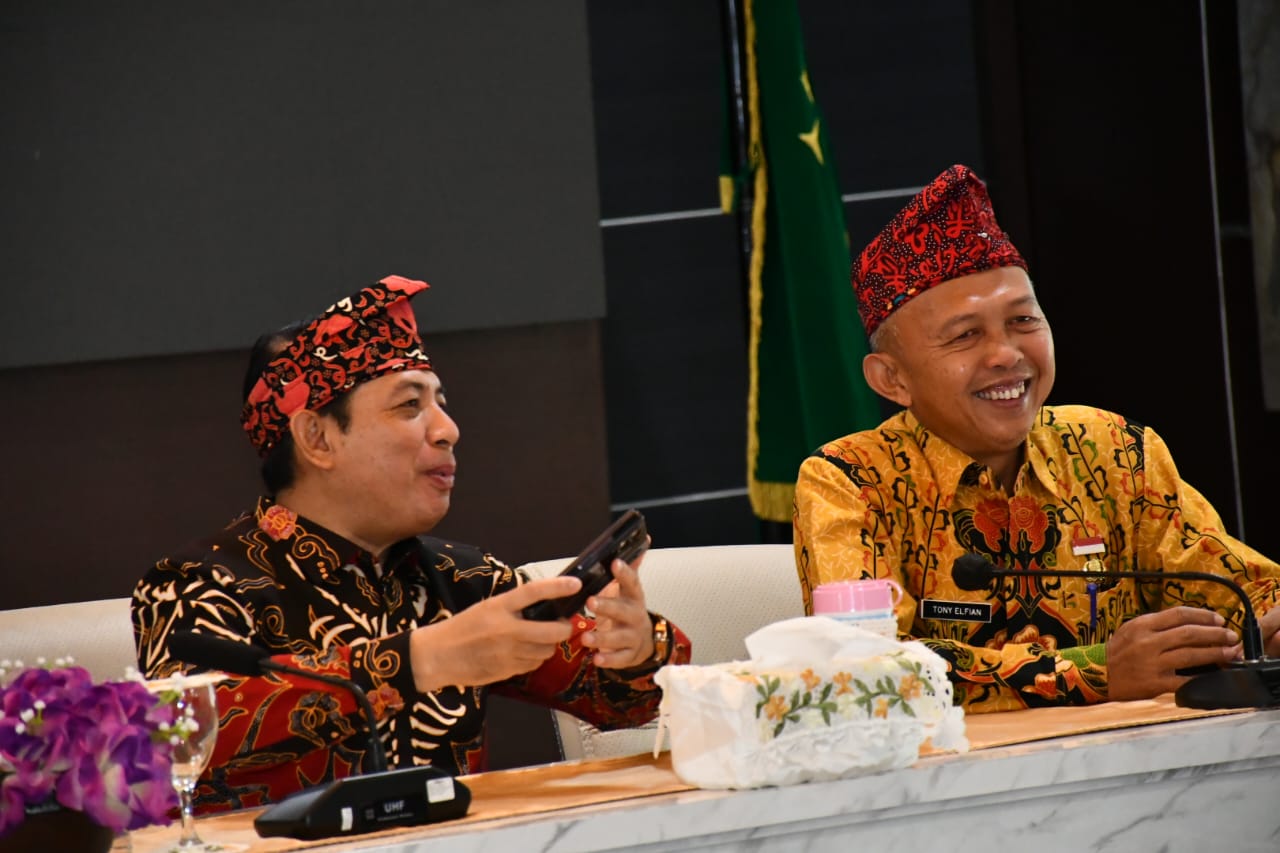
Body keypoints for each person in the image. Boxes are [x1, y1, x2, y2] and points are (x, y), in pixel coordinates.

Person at [133, 275, 690, 811]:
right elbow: (173, 734)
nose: (448, 430)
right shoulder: (196, 581)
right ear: (316, 437)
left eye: (441, 403)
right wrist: (420, 660)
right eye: (409, 406)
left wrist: (634, 649)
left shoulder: (463, 579)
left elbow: (631, 702)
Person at [793, 164, 1280, 713]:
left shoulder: (1115, 449)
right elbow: (866, 669)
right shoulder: (851, 481)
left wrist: (1269, 621)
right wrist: (1093, 672)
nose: (1006, 354)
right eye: (966, 335)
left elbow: (1239, 589)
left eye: (1023, 321)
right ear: (892, 379)